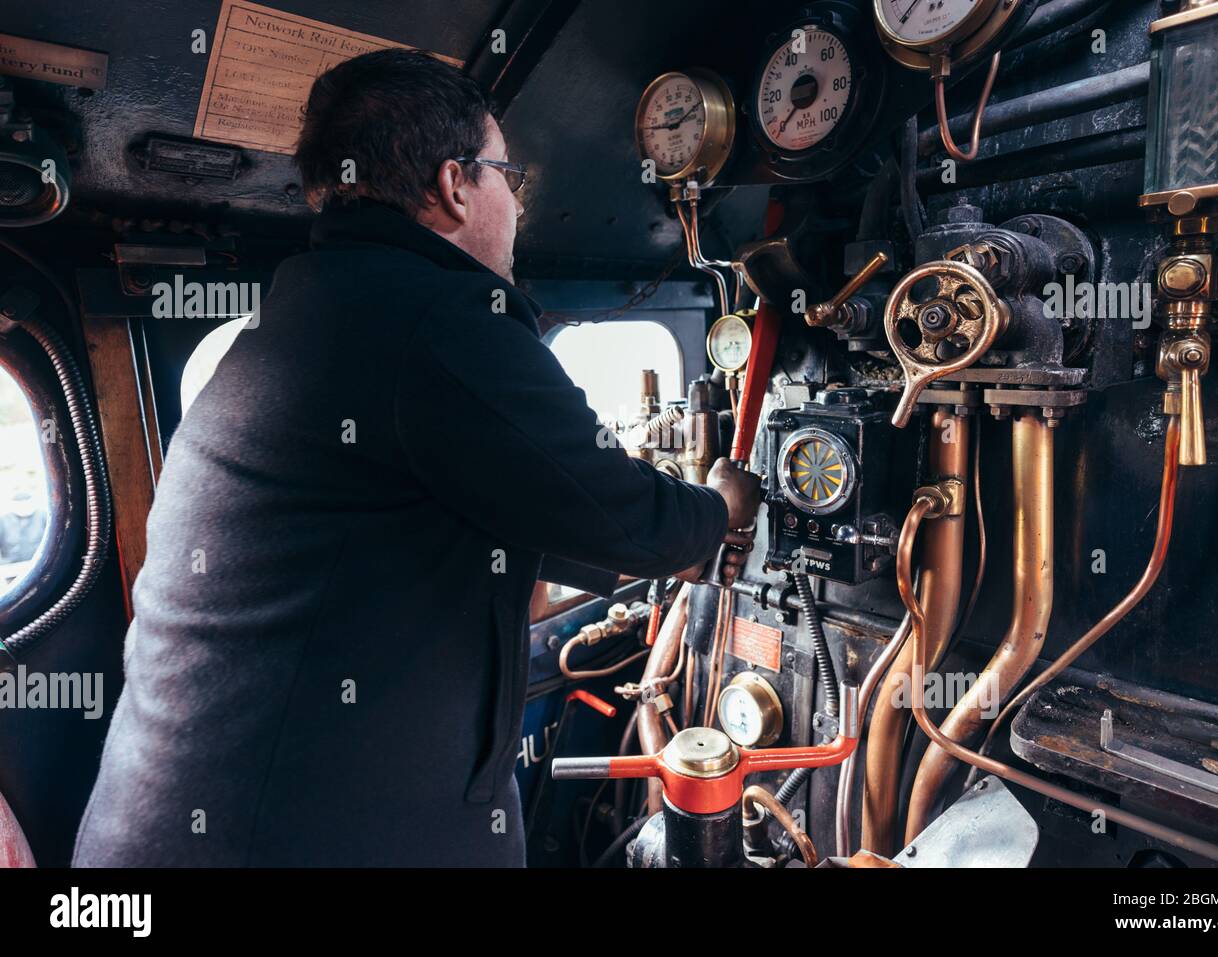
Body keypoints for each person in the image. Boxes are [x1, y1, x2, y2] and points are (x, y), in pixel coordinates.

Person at [72, 48, 760, 867]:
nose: (517, 203)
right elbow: (634, 521)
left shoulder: (309, 302)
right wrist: (720, 504)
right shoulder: (441, 320)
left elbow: (538, 506)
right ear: (455, 183)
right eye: (509, 174)